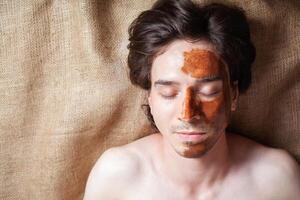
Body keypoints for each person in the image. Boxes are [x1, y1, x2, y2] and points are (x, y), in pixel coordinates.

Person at [84, 0, 300, 199]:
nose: (188, 113)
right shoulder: (116, 175)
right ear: (149, 97)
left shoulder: (277, 178)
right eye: (168, 93)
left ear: (232, 95)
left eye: (208, 91)